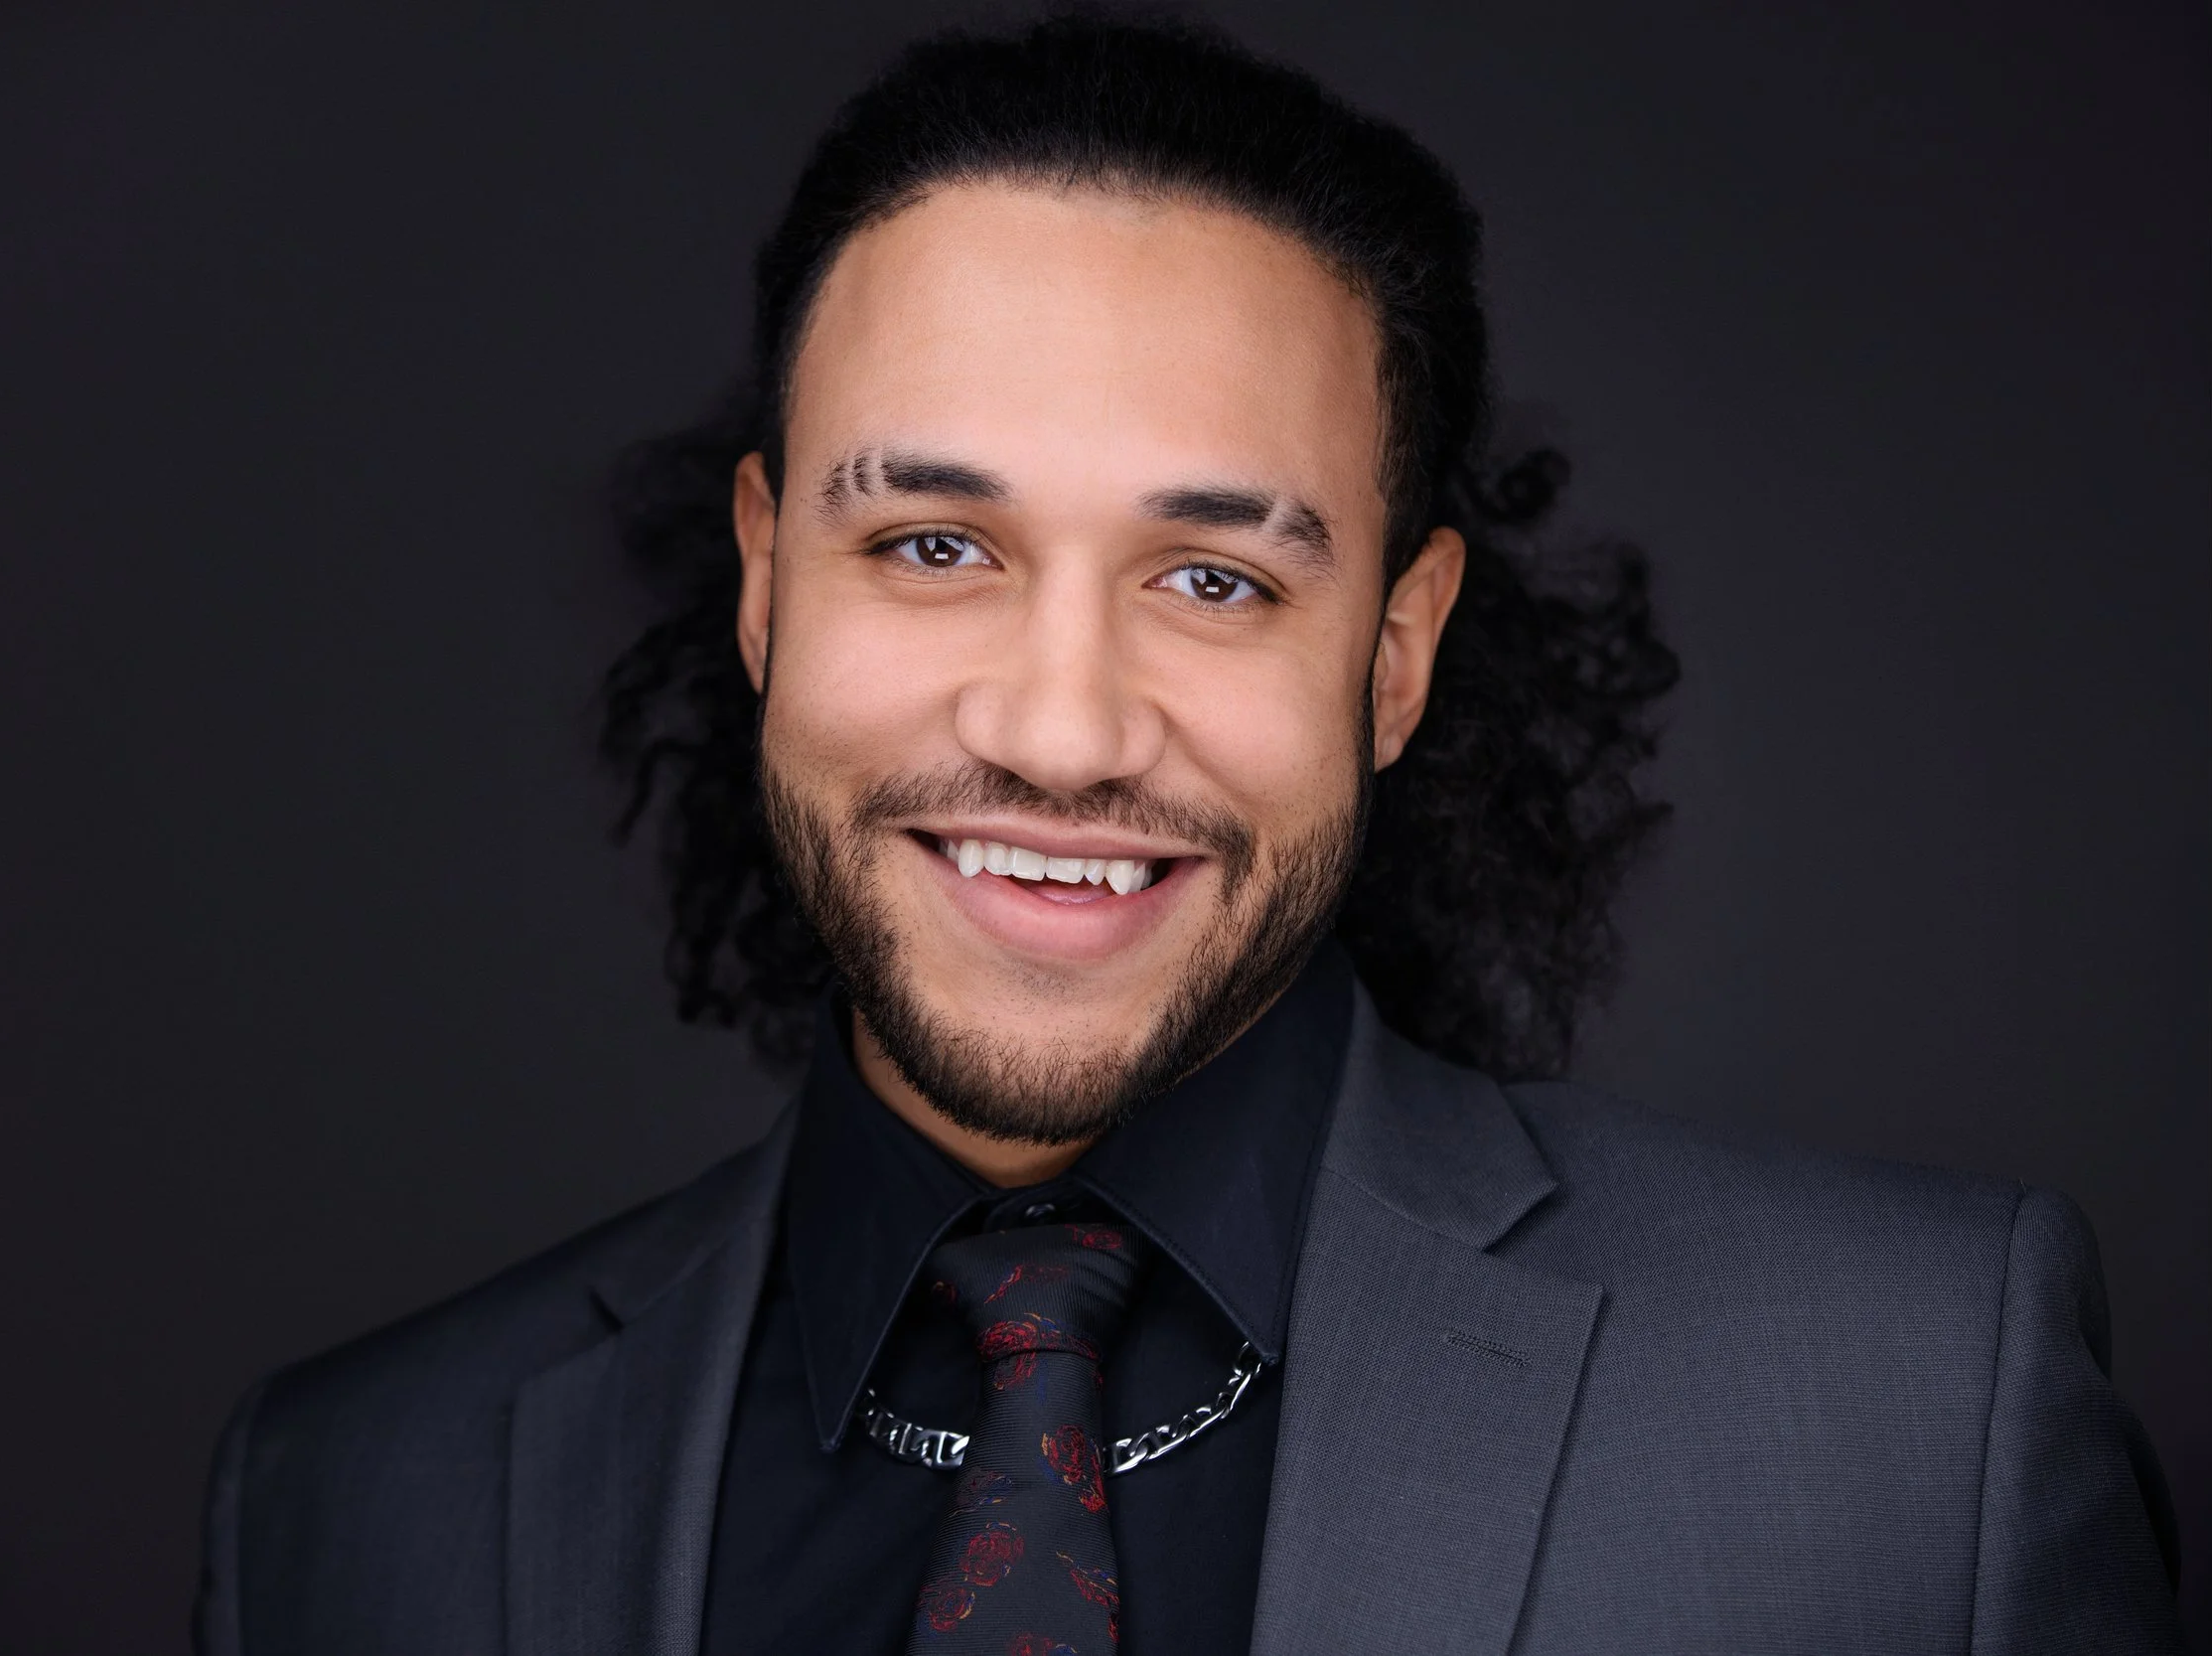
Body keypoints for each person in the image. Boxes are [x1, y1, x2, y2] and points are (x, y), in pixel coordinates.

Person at [192, 15, 2182, 1653]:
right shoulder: (351, 1499)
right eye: (933, 545)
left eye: (1214, 578)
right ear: (762, 581)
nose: (1061, 728)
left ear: (1394, 655)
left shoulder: (1918, 1422)